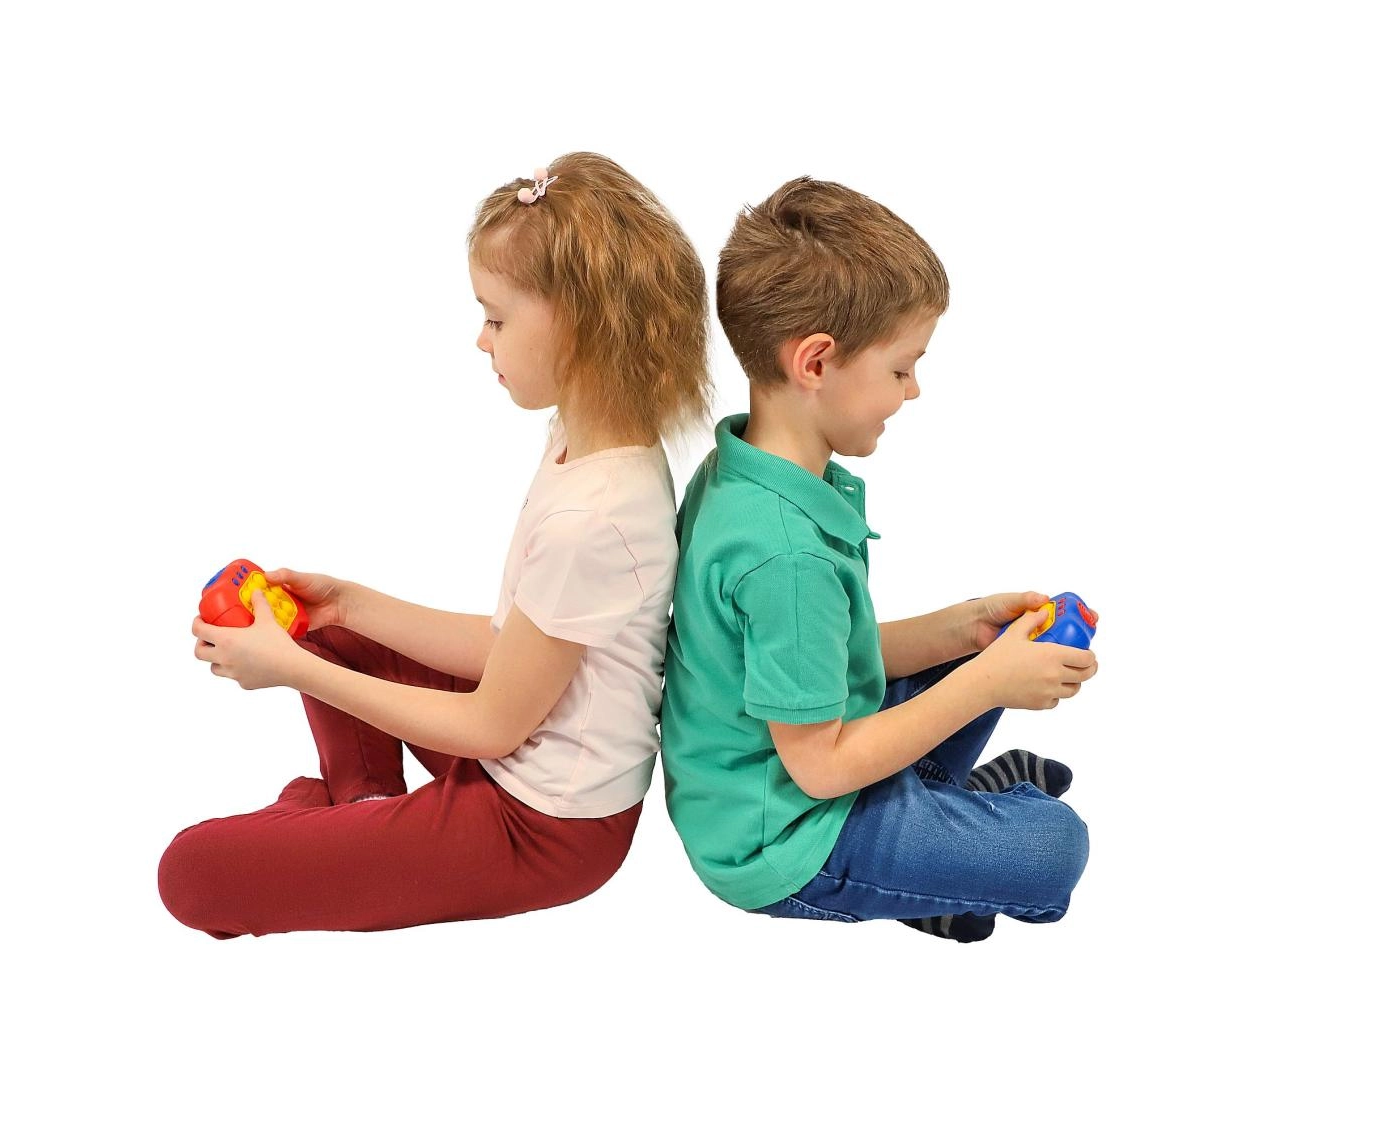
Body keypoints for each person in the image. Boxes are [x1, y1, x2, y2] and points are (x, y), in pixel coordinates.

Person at [159, 153, 711, 938]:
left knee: (190, 872)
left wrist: (291, 670)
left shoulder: (595, 517)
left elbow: (492, 725)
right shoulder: (593, 439)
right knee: (327, 629)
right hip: (516, 750)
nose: (481, 339)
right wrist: (347, 605)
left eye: (497, 318)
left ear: (577, 326)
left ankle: (342, 819)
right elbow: (508, 649)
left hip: (542, 828)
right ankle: (366, 811)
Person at [659, 175, 1096, 943]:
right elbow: (822, 768)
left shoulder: (748, 471)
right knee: (1057, 848)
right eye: (900, 368)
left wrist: (966, 633)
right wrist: (988, 685)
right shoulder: (783, 552)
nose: (914, 389)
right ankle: (955, 836)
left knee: (987, 651)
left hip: (784, 779)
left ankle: (942, 837)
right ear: (816, 362)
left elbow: (826, 660)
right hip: (786, 842)